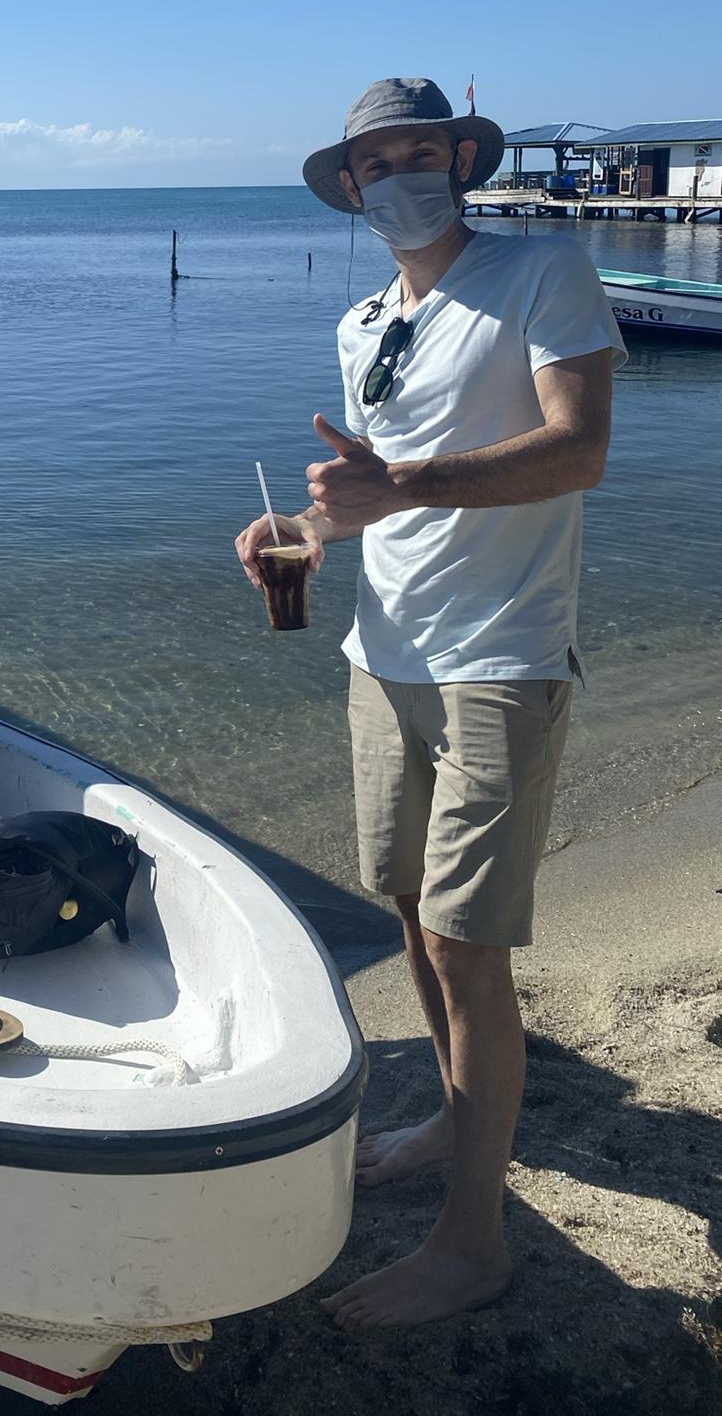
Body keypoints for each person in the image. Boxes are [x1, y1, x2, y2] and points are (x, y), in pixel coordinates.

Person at [235, 78, 624, 1331]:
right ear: (350, 186)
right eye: (376, 160)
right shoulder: (361, 322)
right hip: (382, 651)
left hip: (501, 655)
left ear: (460, 159)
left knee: (466, 942)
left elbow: (579, 447)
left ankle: (473, 1243)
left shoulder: (542, 270)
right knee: (408, 905)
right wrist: (301, 533)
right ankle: (451, 1125)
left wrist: (399, 484)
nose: (400, 174)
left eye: (422, 150)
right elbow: (377, 491)